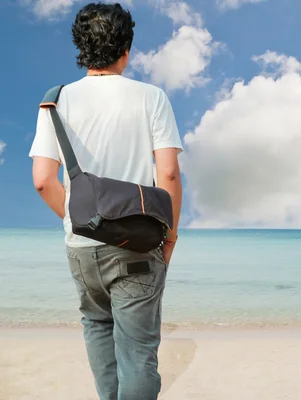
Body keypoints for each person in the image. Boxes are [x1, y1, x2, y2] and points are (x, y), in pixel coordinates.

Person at [28, 3, 183, 399]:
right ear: (126, 50)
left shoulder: (55, 101)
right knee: (139, 352)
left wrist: (82, 220)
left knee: (96, 326)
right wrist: (170, 235)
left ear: (80, 46)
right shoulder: (152, 97)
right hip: (139, 241)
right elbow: (167, 174)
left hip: (81, 245)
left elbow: (44, 181)